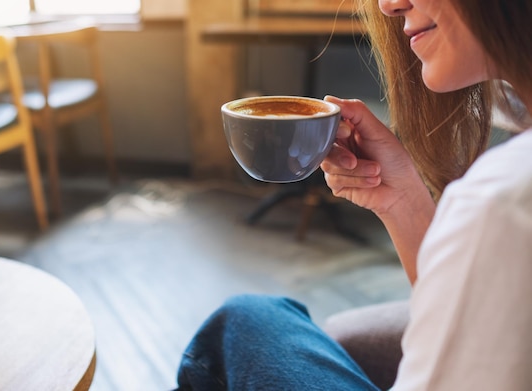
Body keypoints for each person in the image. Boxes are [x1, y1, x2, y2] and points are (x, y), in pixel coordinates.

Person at [174, 0, 532, 389]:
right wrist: (402, 201)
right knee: (316, 329)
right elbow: (464, 316)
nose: (390, 5)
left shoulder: (503, 201)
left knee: (241, 321)